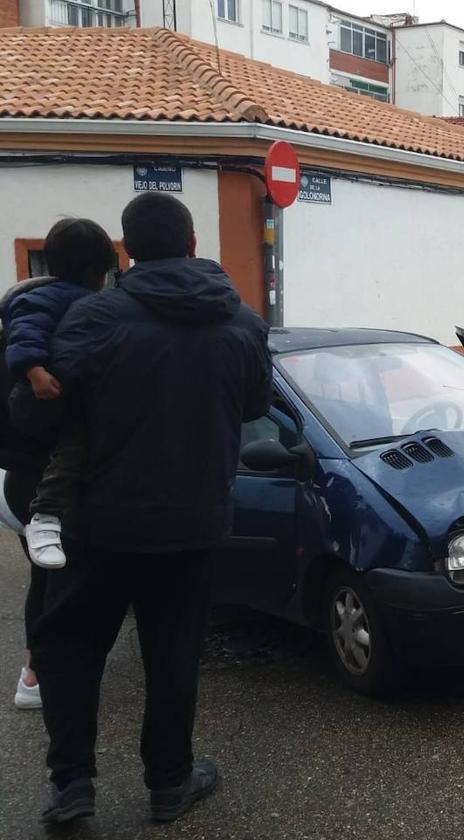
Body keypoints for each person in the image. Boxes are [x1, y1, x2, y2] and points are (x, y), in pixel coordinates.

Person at [24, 193, 272, 825]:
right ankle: (169, 783)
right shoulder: (243, 324)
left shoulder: (91, 319)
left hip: (97, 524)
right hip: (192, 525)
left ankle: (72, 786)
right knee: (172, 654)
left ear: (127, 252)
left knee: (71, 650)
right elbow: (251, 409)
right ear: (193, 245)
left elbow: (48, 409)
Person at [1, 219, 116, 711]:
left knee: (48, 578)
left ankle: (36, 672)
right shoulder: (61, 315)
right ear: (98, 271)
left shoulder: (23, 309)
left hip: (21, 474)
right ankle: (44, 674)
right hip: (52, 474)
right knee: (63, 582)